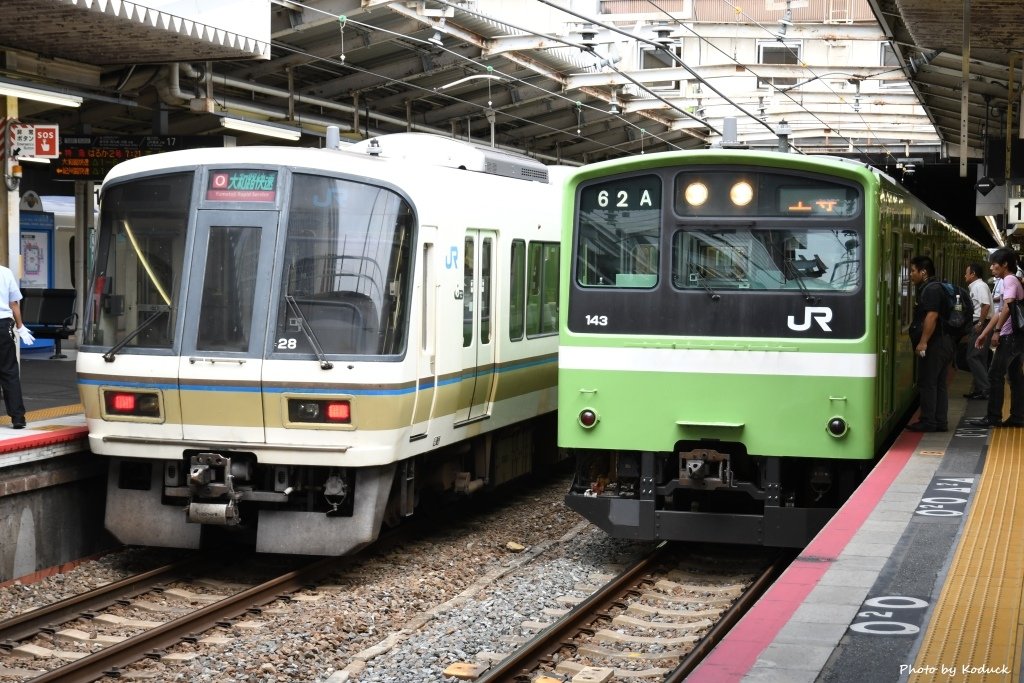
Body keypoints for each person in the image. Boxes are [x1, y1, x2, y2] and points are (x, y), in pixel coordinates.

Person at [969, 248, 1024, 428]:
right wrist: (984, 334)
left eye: (994, 263)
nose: (991, 267)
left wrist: (997, 331)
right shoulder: (1009, 280)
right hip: (1016, 337)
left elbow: (1007, 308)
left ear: (1005, 264)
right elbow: (999, 311)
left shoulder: (1008, 280)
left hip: (1010, 336)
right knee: (1015, 376)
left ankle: (993, 417)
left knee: (995, 375)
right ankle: (1018, 417)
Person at [907, 255, 954, 432]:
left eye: (913, 271)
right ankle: (940, 421)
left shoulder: (931, 290)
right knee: (939, 383)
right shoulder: (935, 287)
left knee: (928, 383)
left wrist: (923, 342)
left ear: (923, 272)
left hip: (936, 344)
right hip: (944, 342)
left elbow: (932, 316)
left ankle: (928, 421)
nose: (910, 275)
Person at [0, 264, 32, 429]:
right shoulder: (5, 273)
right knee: (9, 371)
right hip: (3, 327)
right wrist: (20, 327)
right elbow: (14, 304)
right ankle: (18, 417)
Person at [963, 262, 992, 400]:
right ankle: (979, 389)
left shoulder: (979, 286)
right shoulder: (979, 286)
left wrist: (980, 323)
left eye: (966, 272)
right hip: (981, 323)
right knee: (980, 357)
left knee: (972, 356)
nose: (965, 275)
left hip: (981, 323)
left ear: (973, 274)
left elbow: (985, 305)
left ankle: (985, 389)